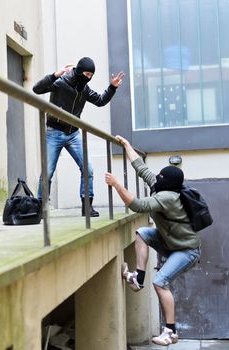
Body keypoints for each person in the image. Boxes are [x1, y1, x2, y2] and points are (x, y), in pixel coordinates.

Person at [105, 135, 201, 346]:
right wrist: (127, 145)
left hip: (187, 251)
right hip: (171, 243)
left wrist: (117, 185)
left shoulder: (168, 198)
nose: (157, 176)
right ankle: (138, 279)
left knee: (160, 282)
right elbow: (141, 168)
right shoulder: (162, 187)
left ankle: (171, 332)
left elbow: (137, 205)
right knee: (143, 232)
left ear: (167, 182)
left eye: (161, 176)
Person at [33, 57, 125, 216]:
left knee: (87, 169)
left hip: (74, 133)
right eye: (87, 74)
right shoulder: (61, 82)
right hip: (54, 132)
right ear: (79, 71)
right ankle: (40, 206)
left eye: (91, 75)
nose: (88, 78)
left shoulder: (85, 89)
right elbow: (37, 89)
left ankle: (87, 206)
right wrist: (56, 74)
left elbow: (100, 101)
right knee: (47, 171)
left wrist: (112, 87)